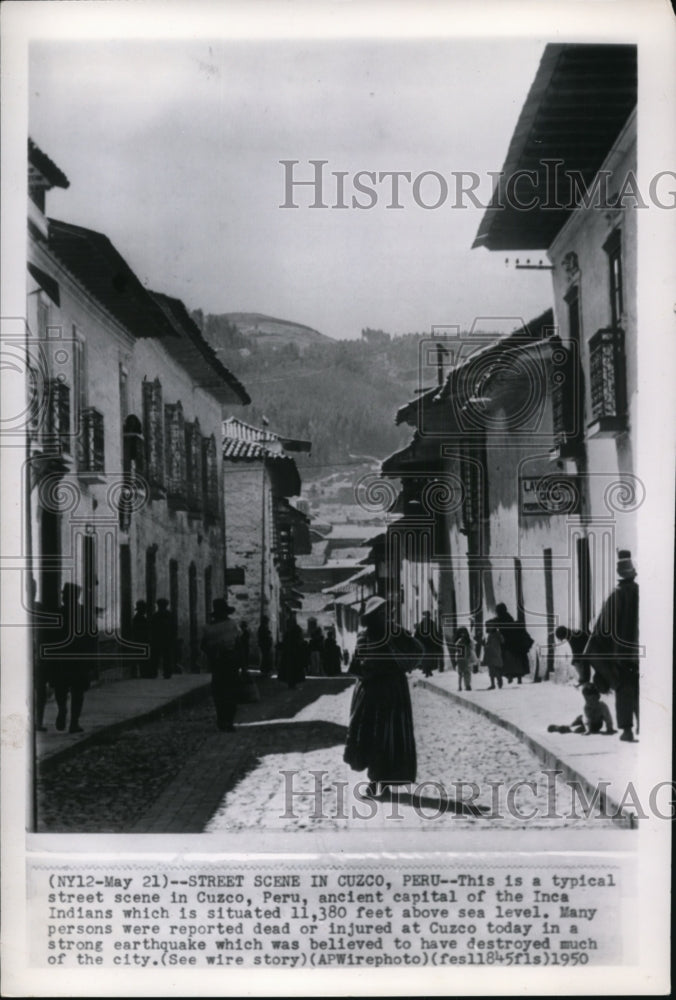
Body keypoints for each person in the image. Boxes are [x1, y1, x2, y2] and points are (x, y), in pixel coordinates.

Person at [344, 597, 418, 799]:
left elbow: (416, 650)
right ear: (372, 616)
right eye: (381, 613)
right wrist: (367, 670)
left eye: (387, 612)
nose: (386, 616)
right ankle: (374, 781)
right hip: (371, 691)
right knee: (372, 735)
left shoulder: (396, 633)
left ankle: (383, 782)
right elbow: (356, 664)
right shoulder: (365, 636)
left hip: (393, 691)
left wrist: (403, 663)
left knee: (390, 736)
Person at [584, 550, 639, 742]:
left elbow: (602, 629)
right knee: (641, 690)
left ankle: (627, 730)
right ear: (633, 574)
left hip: (621, 654)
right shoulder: (642, 593)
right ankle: (645, 726)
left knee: (624, 689)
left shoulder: (615, 596)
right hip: (640, 652)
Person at [49, 583, 96, 734]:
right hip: (80, 659)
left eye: (64, 594)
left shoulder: (58, 613)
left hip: (62, 659)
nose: (63, 597)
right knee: (78, 692)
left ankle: (62, 709)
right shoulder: (85, 613)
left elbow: (51, 639)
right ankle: (74, 723)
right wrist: (93, 662)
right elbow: (93, 638)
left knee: (60, 688)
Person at [201, 599, 241, 731]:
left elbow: (203, 646)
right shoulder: (232, 625)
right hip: (230, 662)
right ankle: (228, 721)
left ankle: (222, 719)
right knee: (231, 691)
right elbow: (239, 644)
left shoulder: (208, 628)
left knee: (219, 692)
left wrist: (213, 652)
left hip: (217, 663)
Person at [548, 681, 616, 735]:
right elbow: (586, 719)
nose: (589, 702)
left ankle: (563, 729)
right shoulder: (587, 707)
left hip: (595, 724)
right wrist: (588, 730)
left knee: (577, 730)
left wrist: (609, 728)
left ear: (597, 697)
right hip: (583, 720)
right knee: (575, 723)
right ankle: (563, 727)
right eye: (587, 700)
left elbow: (608, 718)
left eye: (592, 699)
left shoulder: (602, 706)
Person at [488, 603, 533, 684]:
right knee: (517, 661)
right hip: (515, 642)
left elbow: (490, 624)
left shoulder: (500, 619)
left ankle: (509, 676)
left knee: (507, 662)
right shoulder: (509, 617)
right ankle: (518, 678)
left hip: (506, 643)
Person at [277, 616, 307, 689]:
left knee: (291, 669)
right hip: (292, 654)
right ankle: (292, 684)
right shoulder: (294, 631)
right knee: (291, 669)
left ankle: (292, 684)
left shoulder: (294, 631)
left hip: (292, 654)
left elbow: (298, 641)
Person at [149, 598, 177, 678]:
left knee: (155, 657)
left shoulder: (155, 616)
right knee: (167, 657)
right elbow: (174, 628)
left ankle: (154, 673)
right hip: (167, 639)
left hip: (157, 639)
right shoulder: (170, 615)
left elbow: (152, 628)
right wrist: (173, 638)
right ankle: (167, 673)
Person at [414, 611, 443, 676]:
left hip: (425, 644)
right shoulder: (430, 623)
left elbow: (417, 634)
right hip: (429, 644)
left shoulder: (423, 623)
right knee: (429, 658)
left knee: (426, 658)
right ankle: (427, 670)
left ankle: (427, 670)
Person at [131, 599, 151, 678]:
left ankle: (143, 673)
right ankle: (144, 673)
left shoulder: (137, 618)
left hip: (139, 640)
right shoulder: (141, 618)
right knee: (143, 658)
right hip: (142, 640)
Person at [482, 619, 504, 690]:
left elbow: (502, 641)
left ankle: (499, 681)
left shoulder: (497, 634)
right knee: (491, 670)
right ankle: (493, 684)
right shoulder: (490, 635)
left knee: (496, 669)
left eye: (490, 626)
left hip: (495, 653)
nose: (488, 627)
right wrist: (484, 644)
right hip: (490, 654)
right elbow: (488, 644)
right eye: (487, 626)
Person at [454, 627, 477, 691]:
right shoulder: (462, 641)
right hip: (462, 658)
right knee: (462, 673)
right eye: (462, 633)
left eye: (464, 633)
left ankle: (467, 685)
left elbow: (472, 647)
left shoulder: (467, 641)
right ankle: (461, 686)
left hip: (466, 658)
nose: (463, 634)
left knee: (466, 673)